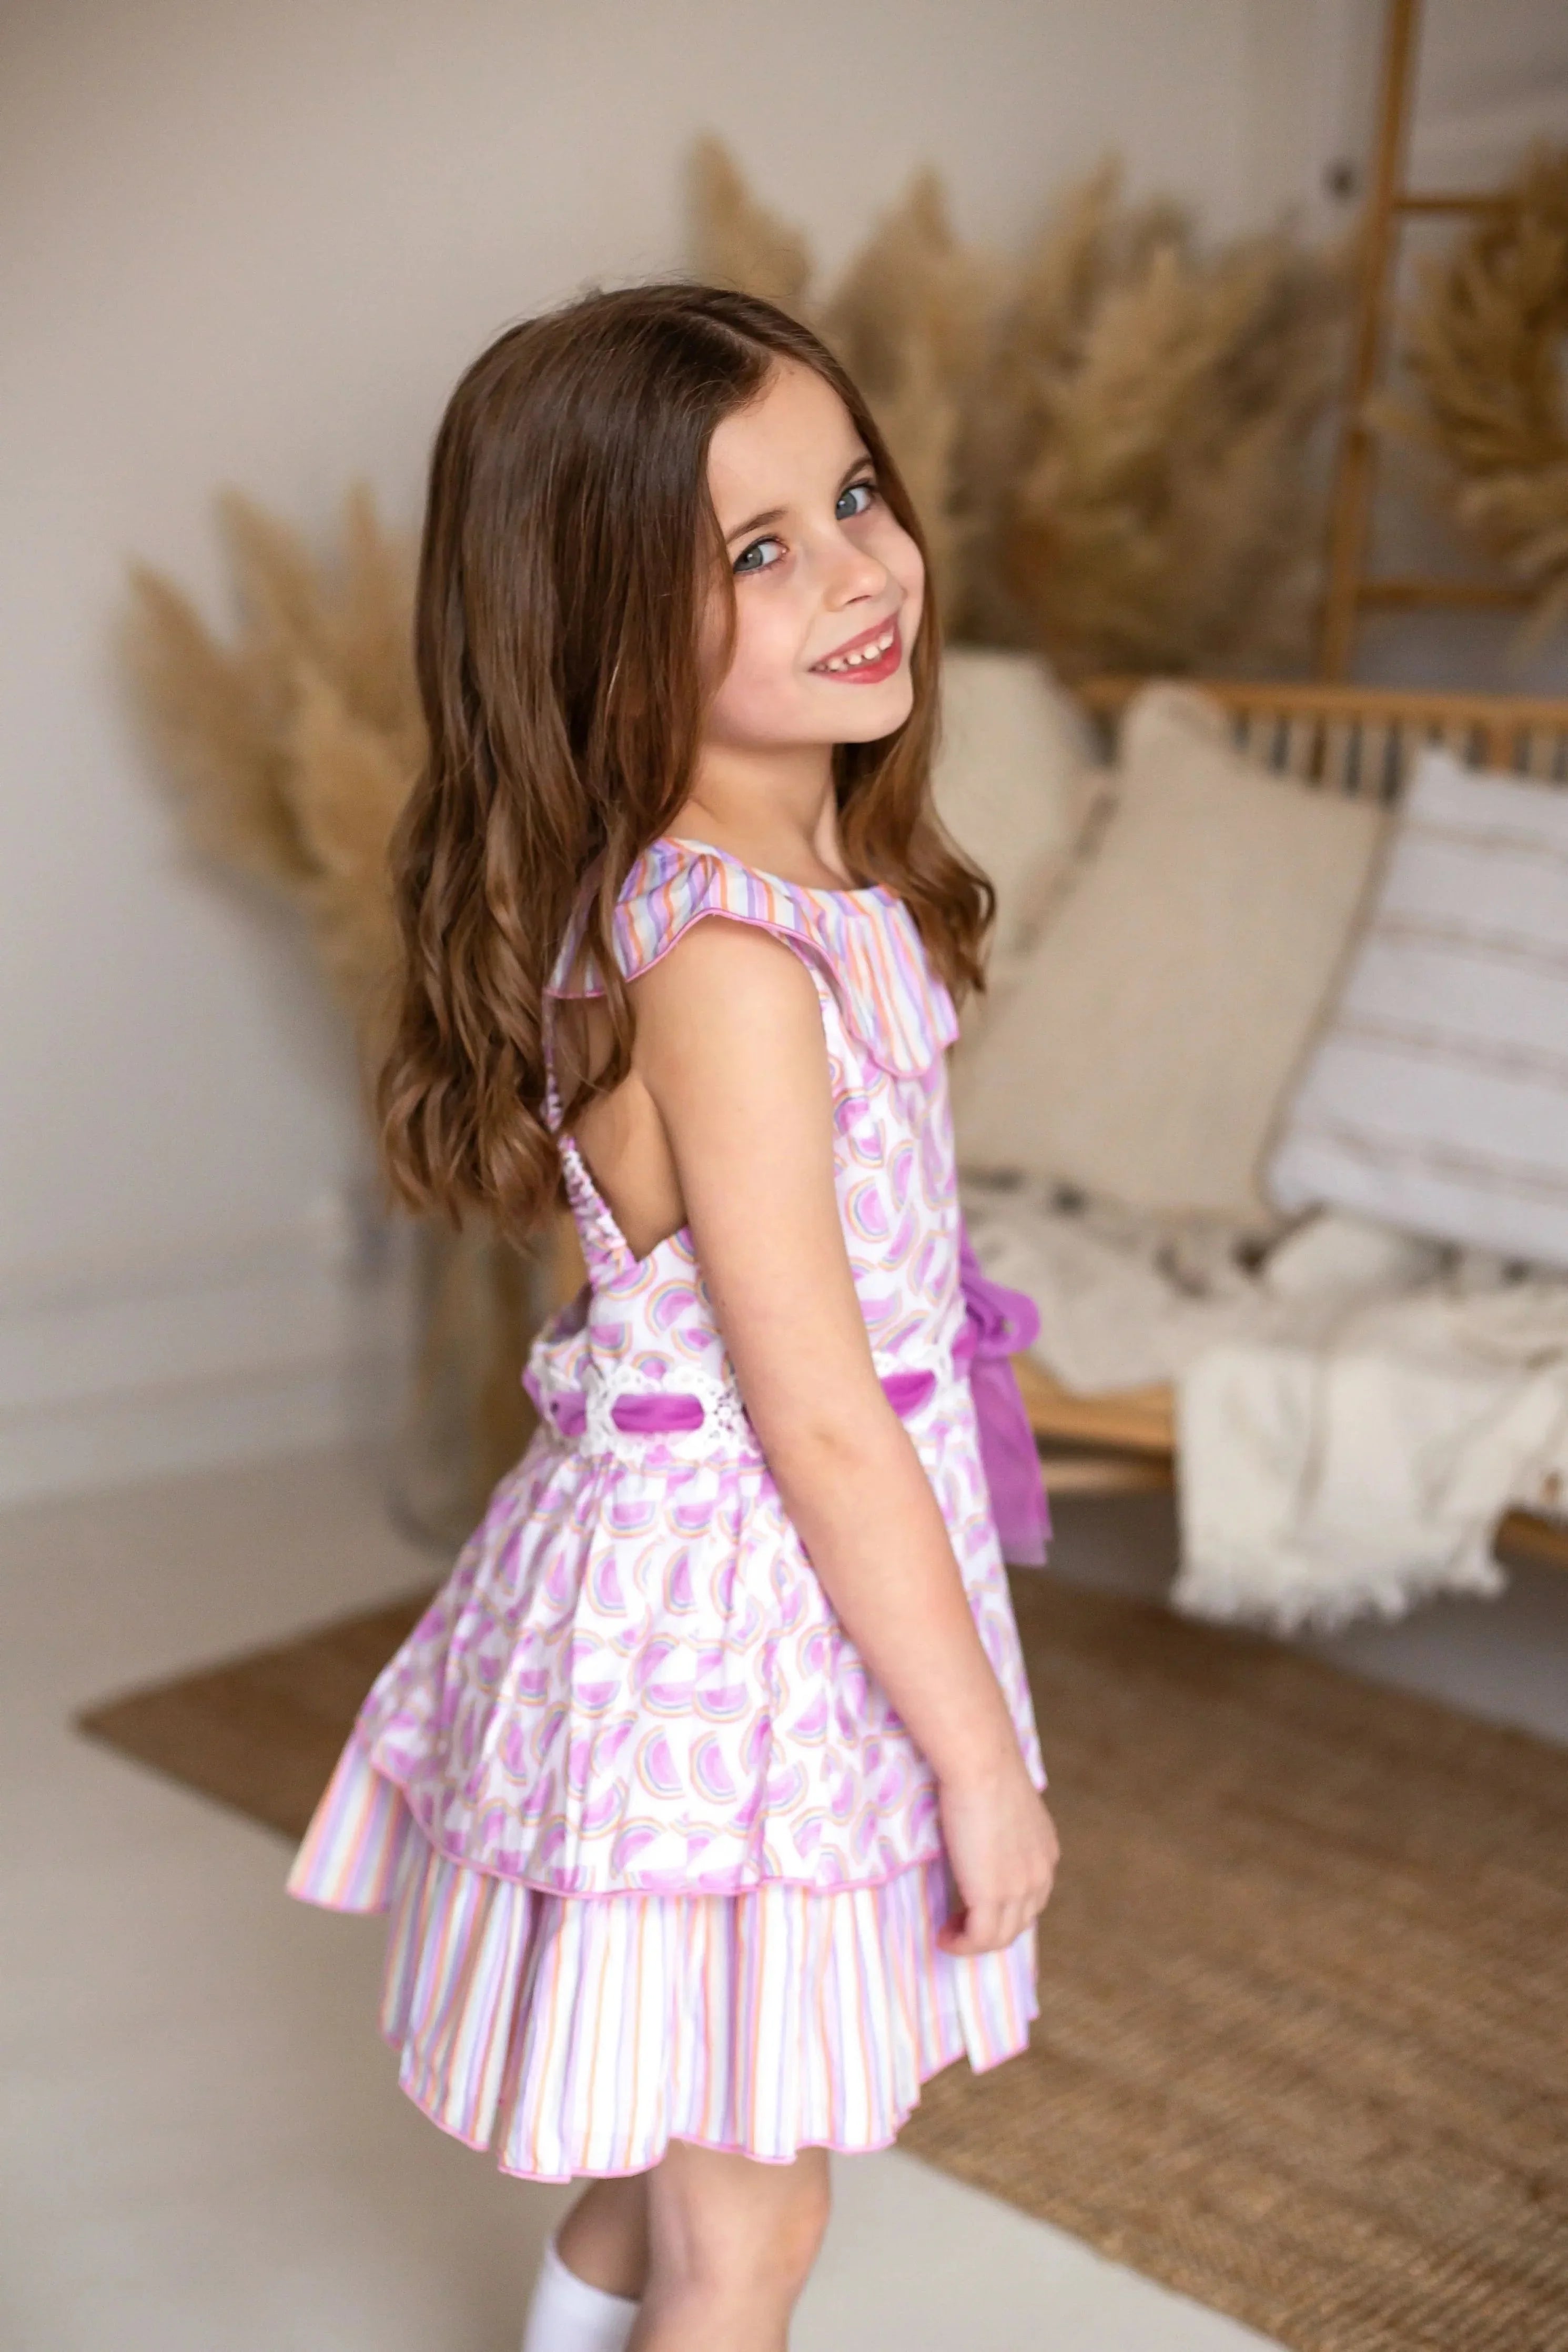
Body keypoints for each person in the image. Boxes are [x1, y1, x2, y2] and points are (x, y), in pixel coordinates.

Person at [287, 279, 1059, 2352]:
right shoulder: (726, 963)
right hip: (737, 1645)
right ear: (601, 630)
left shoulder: (781, 894)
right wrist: (979, 1763)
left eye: (856, 495)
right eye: (756, 549)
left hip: (730, 1601)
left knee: (678, 2164)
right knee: (754, 2241)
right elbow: (810, 1417)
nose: (856, 569)